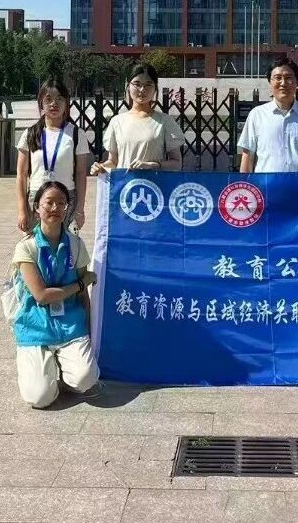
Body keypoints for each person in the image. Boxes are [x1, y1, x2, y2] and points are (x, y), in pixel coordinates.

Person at [10, 180, 100, 408]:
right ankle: (40, 366)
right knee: (39, 397)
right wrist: (80, 284)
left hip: (70, 324)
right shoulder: (26, 247)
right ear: (36, 207)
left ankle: (62, 373)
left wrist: (90, 331)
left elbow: (84, 296)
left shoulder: (76, 245)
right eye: (49, 202)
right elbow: (41, 295)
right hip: (35, 326)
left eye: (61, 203)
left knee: (86, 379)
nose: (55, 208)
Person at [16, 77, 90, 232]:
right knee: (36, 245)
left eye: (59, 99)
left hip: (66, 200)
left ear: (66, 103)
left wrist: (79, 209)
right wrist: (22, 210)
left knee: (66, 244)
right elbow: (21, 175)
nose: (54, 104)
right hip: (37, 199)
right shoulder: (30, 134)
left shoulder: (76, 134)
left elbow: (81, 173)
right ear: (41, 103)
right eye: (48, 99)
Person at [237, 56, 298, 173]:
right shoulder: (257, 115)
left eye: (288, 78)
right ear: (270, 82)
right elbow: (247, 158)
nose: (283, 83)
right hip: (266, 184)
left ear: (297, 82)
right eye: (278, 78)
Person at [90, 63, 184, 175]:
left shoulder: (165, 121)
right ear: (128, 86)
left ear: (155, 88)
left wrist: (154, 165)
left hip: (153, 184)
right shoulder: (117, 121)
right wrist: (101, 167)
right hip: (124, 184)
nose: (142, 89)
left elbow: (177, 163)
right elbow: (113, 162)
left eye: (148, 84)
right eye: (137, 84)